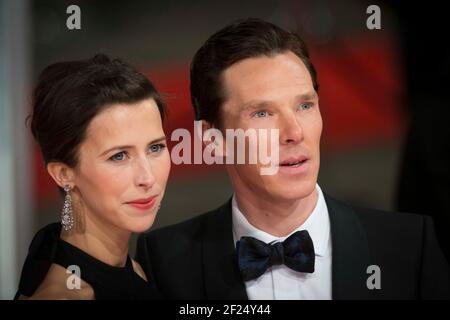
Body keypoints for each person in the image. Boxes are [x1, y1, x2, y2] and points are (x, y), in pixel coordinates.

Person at [135, 18, 450, 299]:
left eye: (305, 105)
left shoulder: (409, 247)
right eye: (262, 113)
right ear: (213, 140)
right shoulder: (165, 263)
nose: (294, 131)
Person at [15, 54, 171, 299]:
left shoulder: (134, 268)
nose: (147, 178)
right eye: (119, 156)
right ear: (64, 173)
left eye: (155, 148)